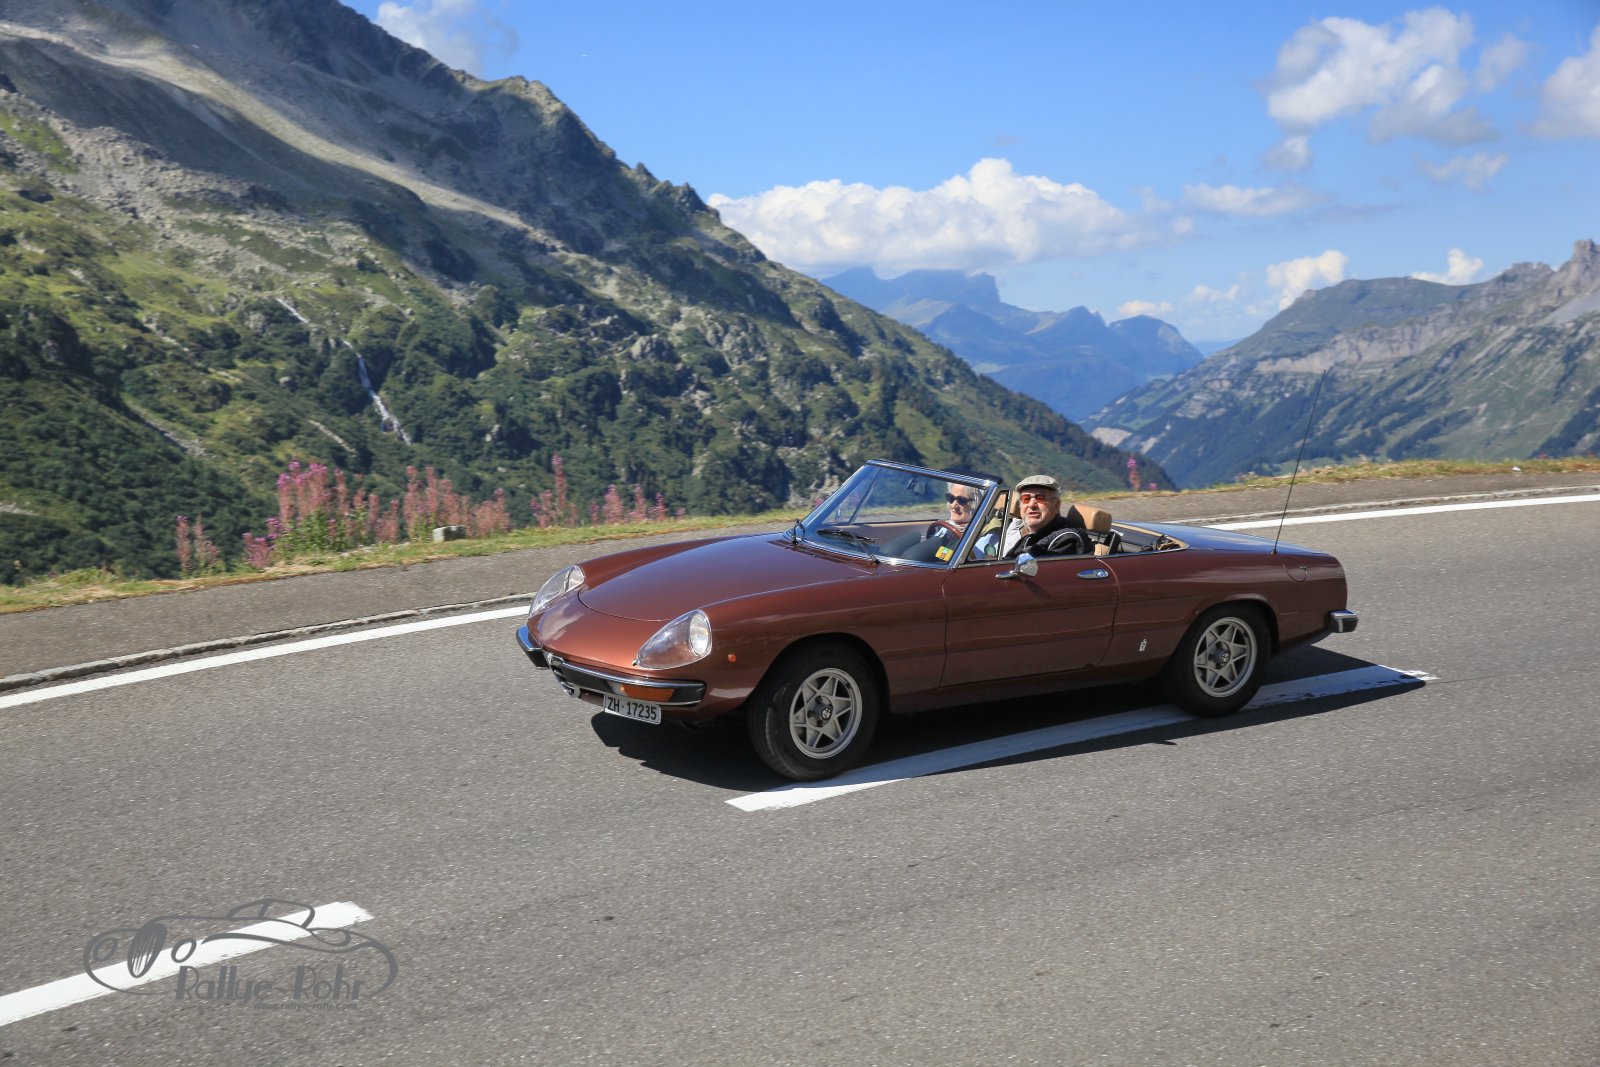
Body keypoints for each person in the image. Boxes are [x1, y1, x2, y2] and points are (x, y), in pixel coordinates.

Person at [999, 474, 1088, 558]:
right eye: (1026, 499)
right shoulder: (1026, 537)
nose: (1032, 505)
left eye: (1040, 498)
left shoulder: (1067, 539)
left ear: (1056, 505)